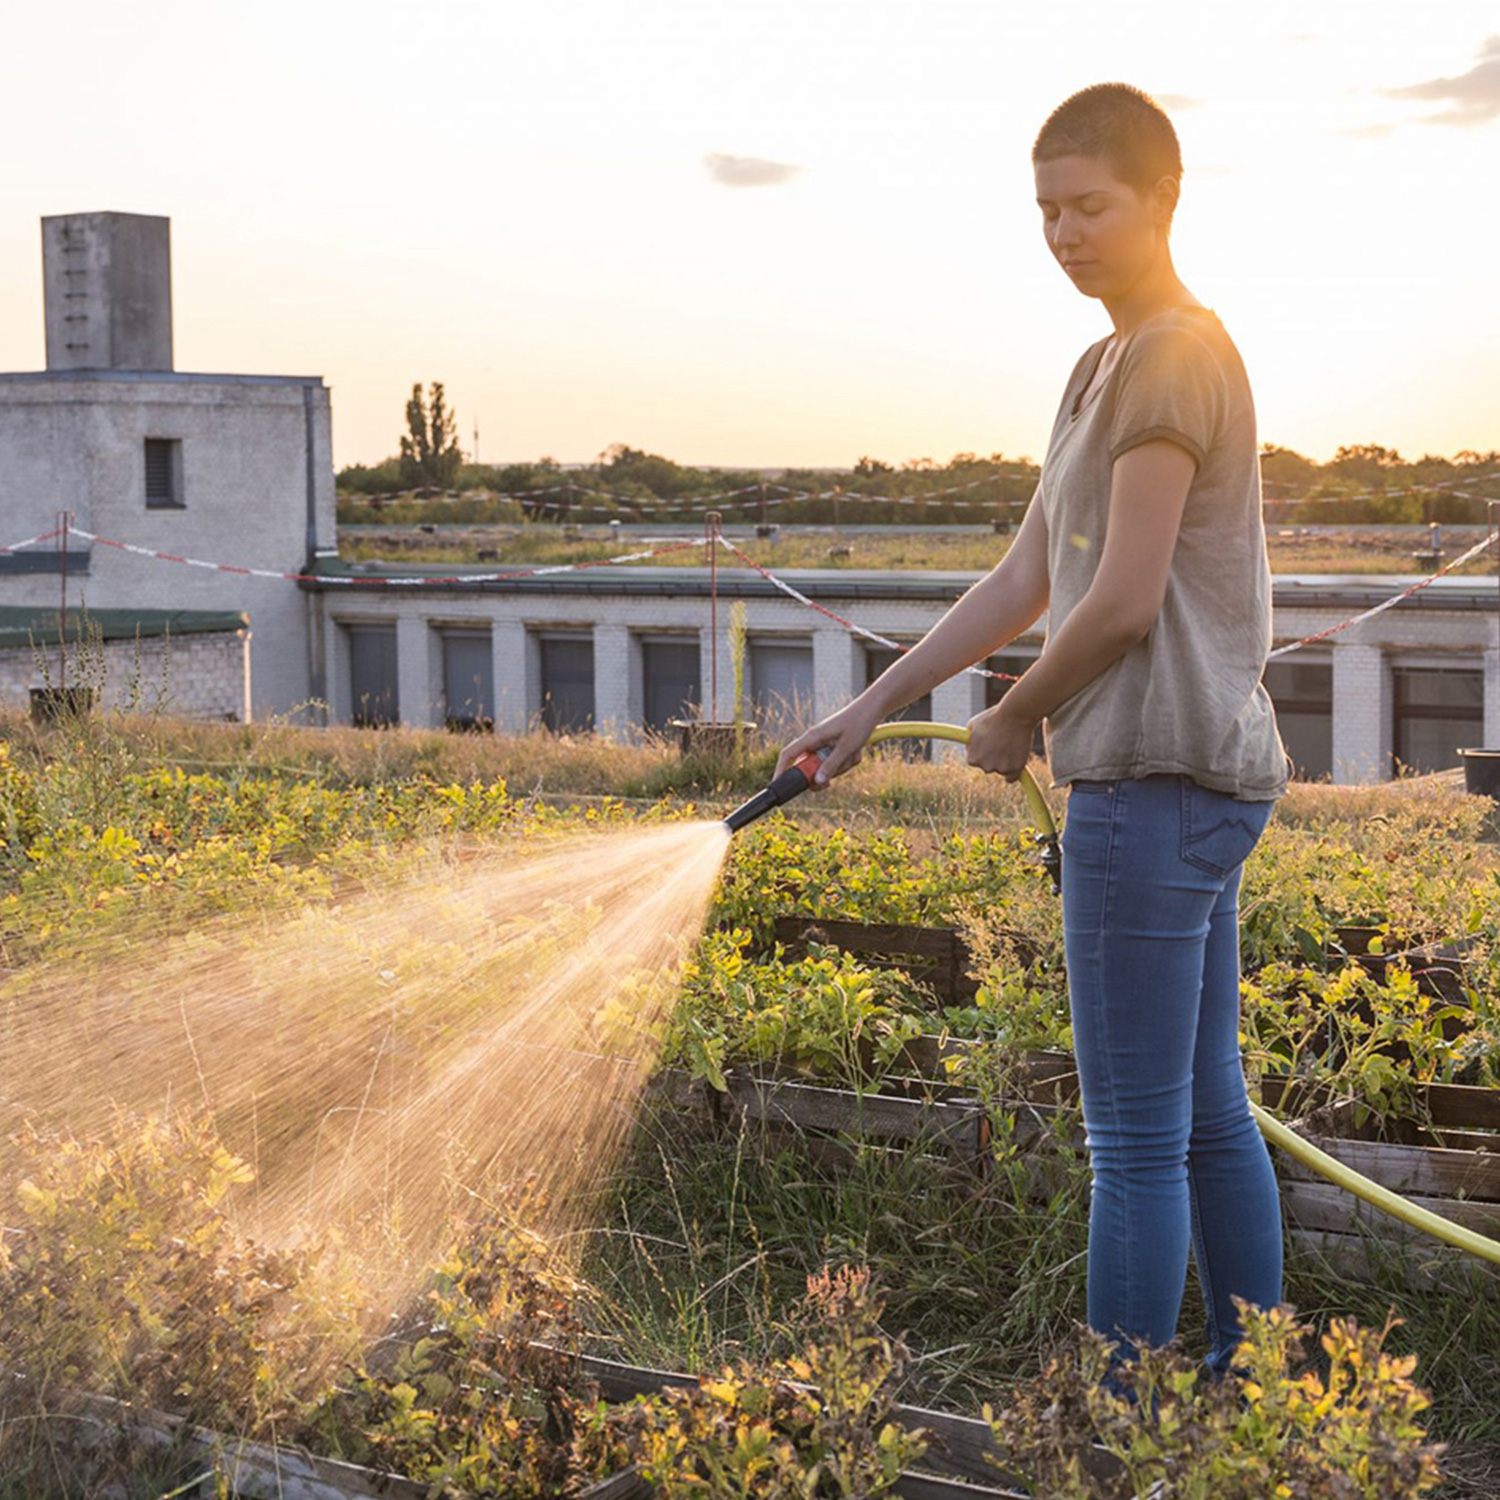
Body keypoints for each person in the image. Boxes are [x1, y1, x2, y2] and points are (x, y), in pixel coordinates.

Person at [774, 83, 1290, 1375]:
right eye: (1047, 211)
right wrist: (871, 706)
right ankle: (1256, 1394)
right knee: (1207, 1116)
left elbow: (1123, 598)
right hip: (1194, 782)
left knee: (1136, 1143)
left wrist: (1016, 714)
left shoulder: (1171, 355)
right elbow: (1027, 580)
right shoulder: (1101, 367)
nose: (1065, 234)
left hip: (1150, 785)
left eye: (1090, 207)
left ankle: (1115, 1432)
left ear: (1163, 198)